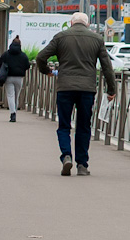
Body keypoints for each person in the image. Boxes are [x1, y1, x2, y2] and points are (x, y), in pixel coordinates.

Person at [36, 11, 116, 176]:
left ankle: (66, 155)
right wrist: (111, 90)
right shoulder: (97, 39)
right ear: (87, 24)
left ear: (71, 23)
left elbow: (40, 57)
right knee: (84, 126)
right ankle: (82, 165)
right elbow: (107, 66)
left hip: (65, 87)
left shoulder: (61, 37)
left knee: (64, 125)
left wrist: (47, 71)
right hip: (87, 89)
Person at [1, 36, 30, 122]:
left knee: (10, 95)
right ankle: (15, 112)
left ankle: (12, 113)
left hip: (8, 77)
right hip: (19, 77)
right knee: (16, 96)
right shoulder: (23, 55)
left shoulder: (6, 54)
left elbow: (0, 63)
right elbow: (27, 66)